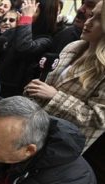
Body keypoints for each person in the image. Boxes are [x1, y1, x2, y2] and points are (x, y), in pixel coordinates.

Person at [25, 0, 105, 150]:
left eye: (99, 19)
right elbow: (48, 85)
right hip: (32, 128)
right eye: (91, 15)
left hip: (61, 145)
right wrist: (36, 88)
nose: (88, 22)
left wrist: (55, 96)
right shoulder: (72, 47)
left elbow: (99, 119)